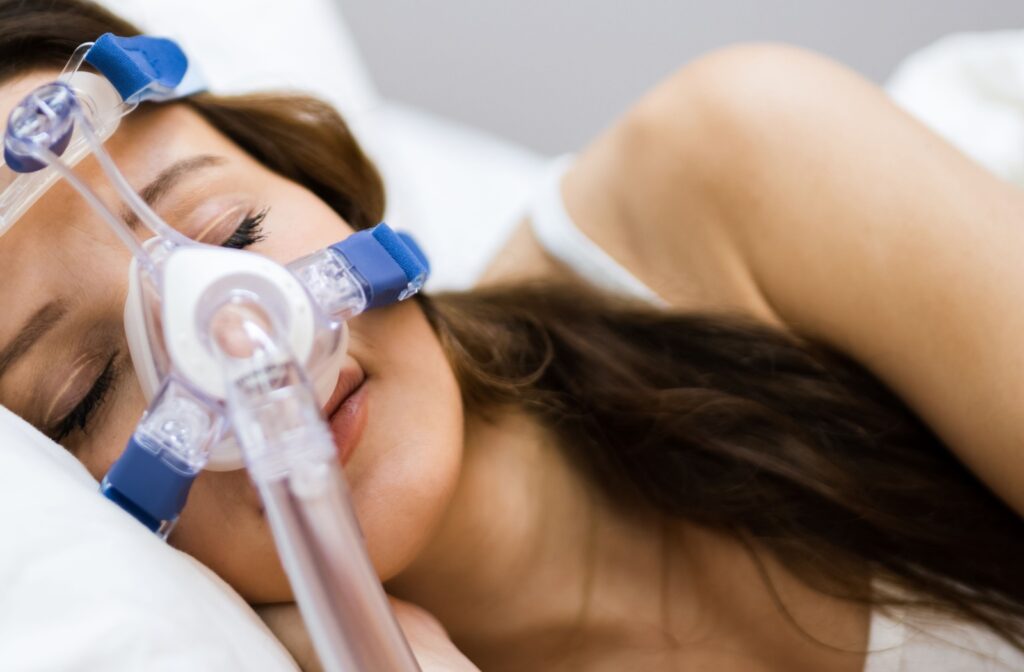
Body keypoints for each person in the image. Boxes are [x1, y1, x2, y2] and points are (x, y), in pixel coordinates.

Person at [2, 2, 1023, 670]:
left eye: (237, 231)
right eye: (88, 385)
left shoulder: (728, 181)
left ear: (313, 176)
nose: (236, 336)